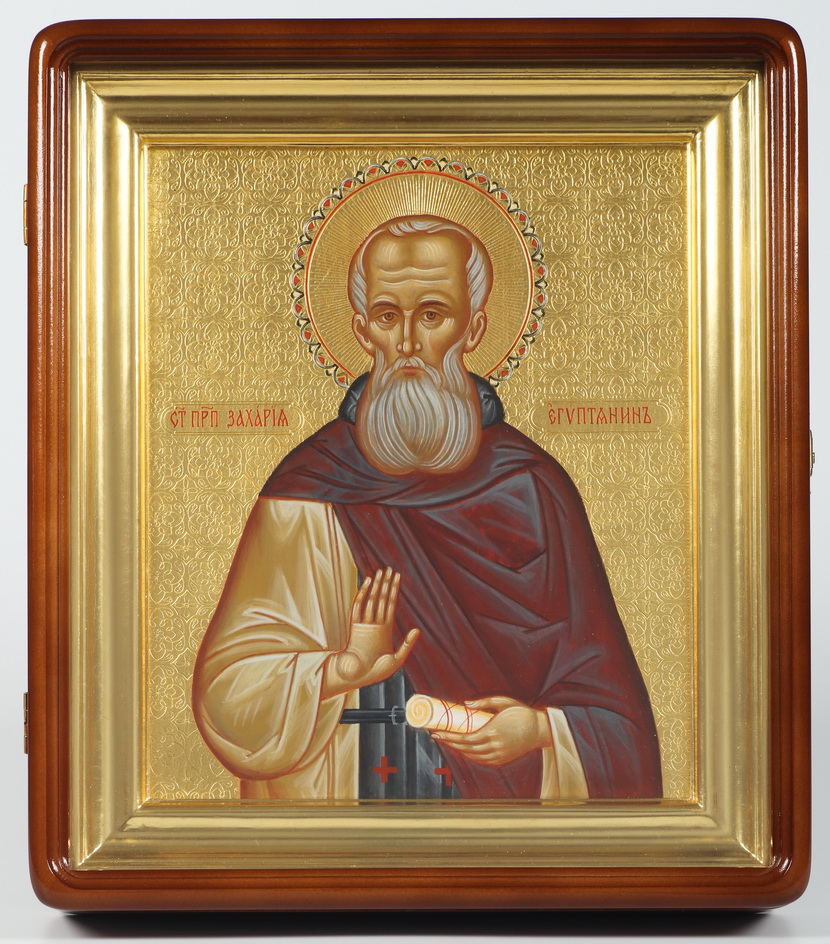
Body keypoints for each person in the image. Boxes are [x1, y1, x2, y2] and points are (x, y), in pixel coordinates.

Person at [192, 215, 662, 801]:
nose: (409, 342)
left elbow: (618, 719)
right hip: (342, 828)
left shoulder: (534, 488)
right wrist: (340, 670)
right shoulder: (306, 491)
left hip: (500, 836)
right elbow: (226, 694)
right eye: (388, 317)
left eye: (433, 314)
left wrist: (540, 730)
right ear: (362, 330)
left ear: (475, 326)